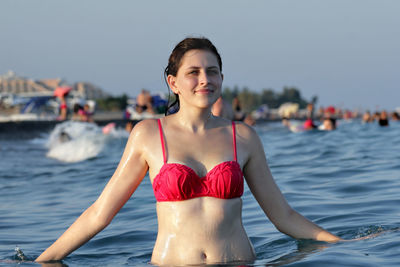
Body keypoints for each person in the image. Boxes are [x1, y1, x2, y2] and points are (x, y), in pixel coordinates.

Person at [37, 37, 350, 266]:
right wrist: (42, 261)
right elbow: (100, 214)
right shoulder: (148, 135)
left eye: (212, 72)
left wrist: (343, 244)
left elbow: (283, 216)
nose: (205, 80)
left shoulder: (243, 136)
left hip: (238, 263)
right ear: (173, 82)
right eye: (194, 72)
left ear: (221, 79)